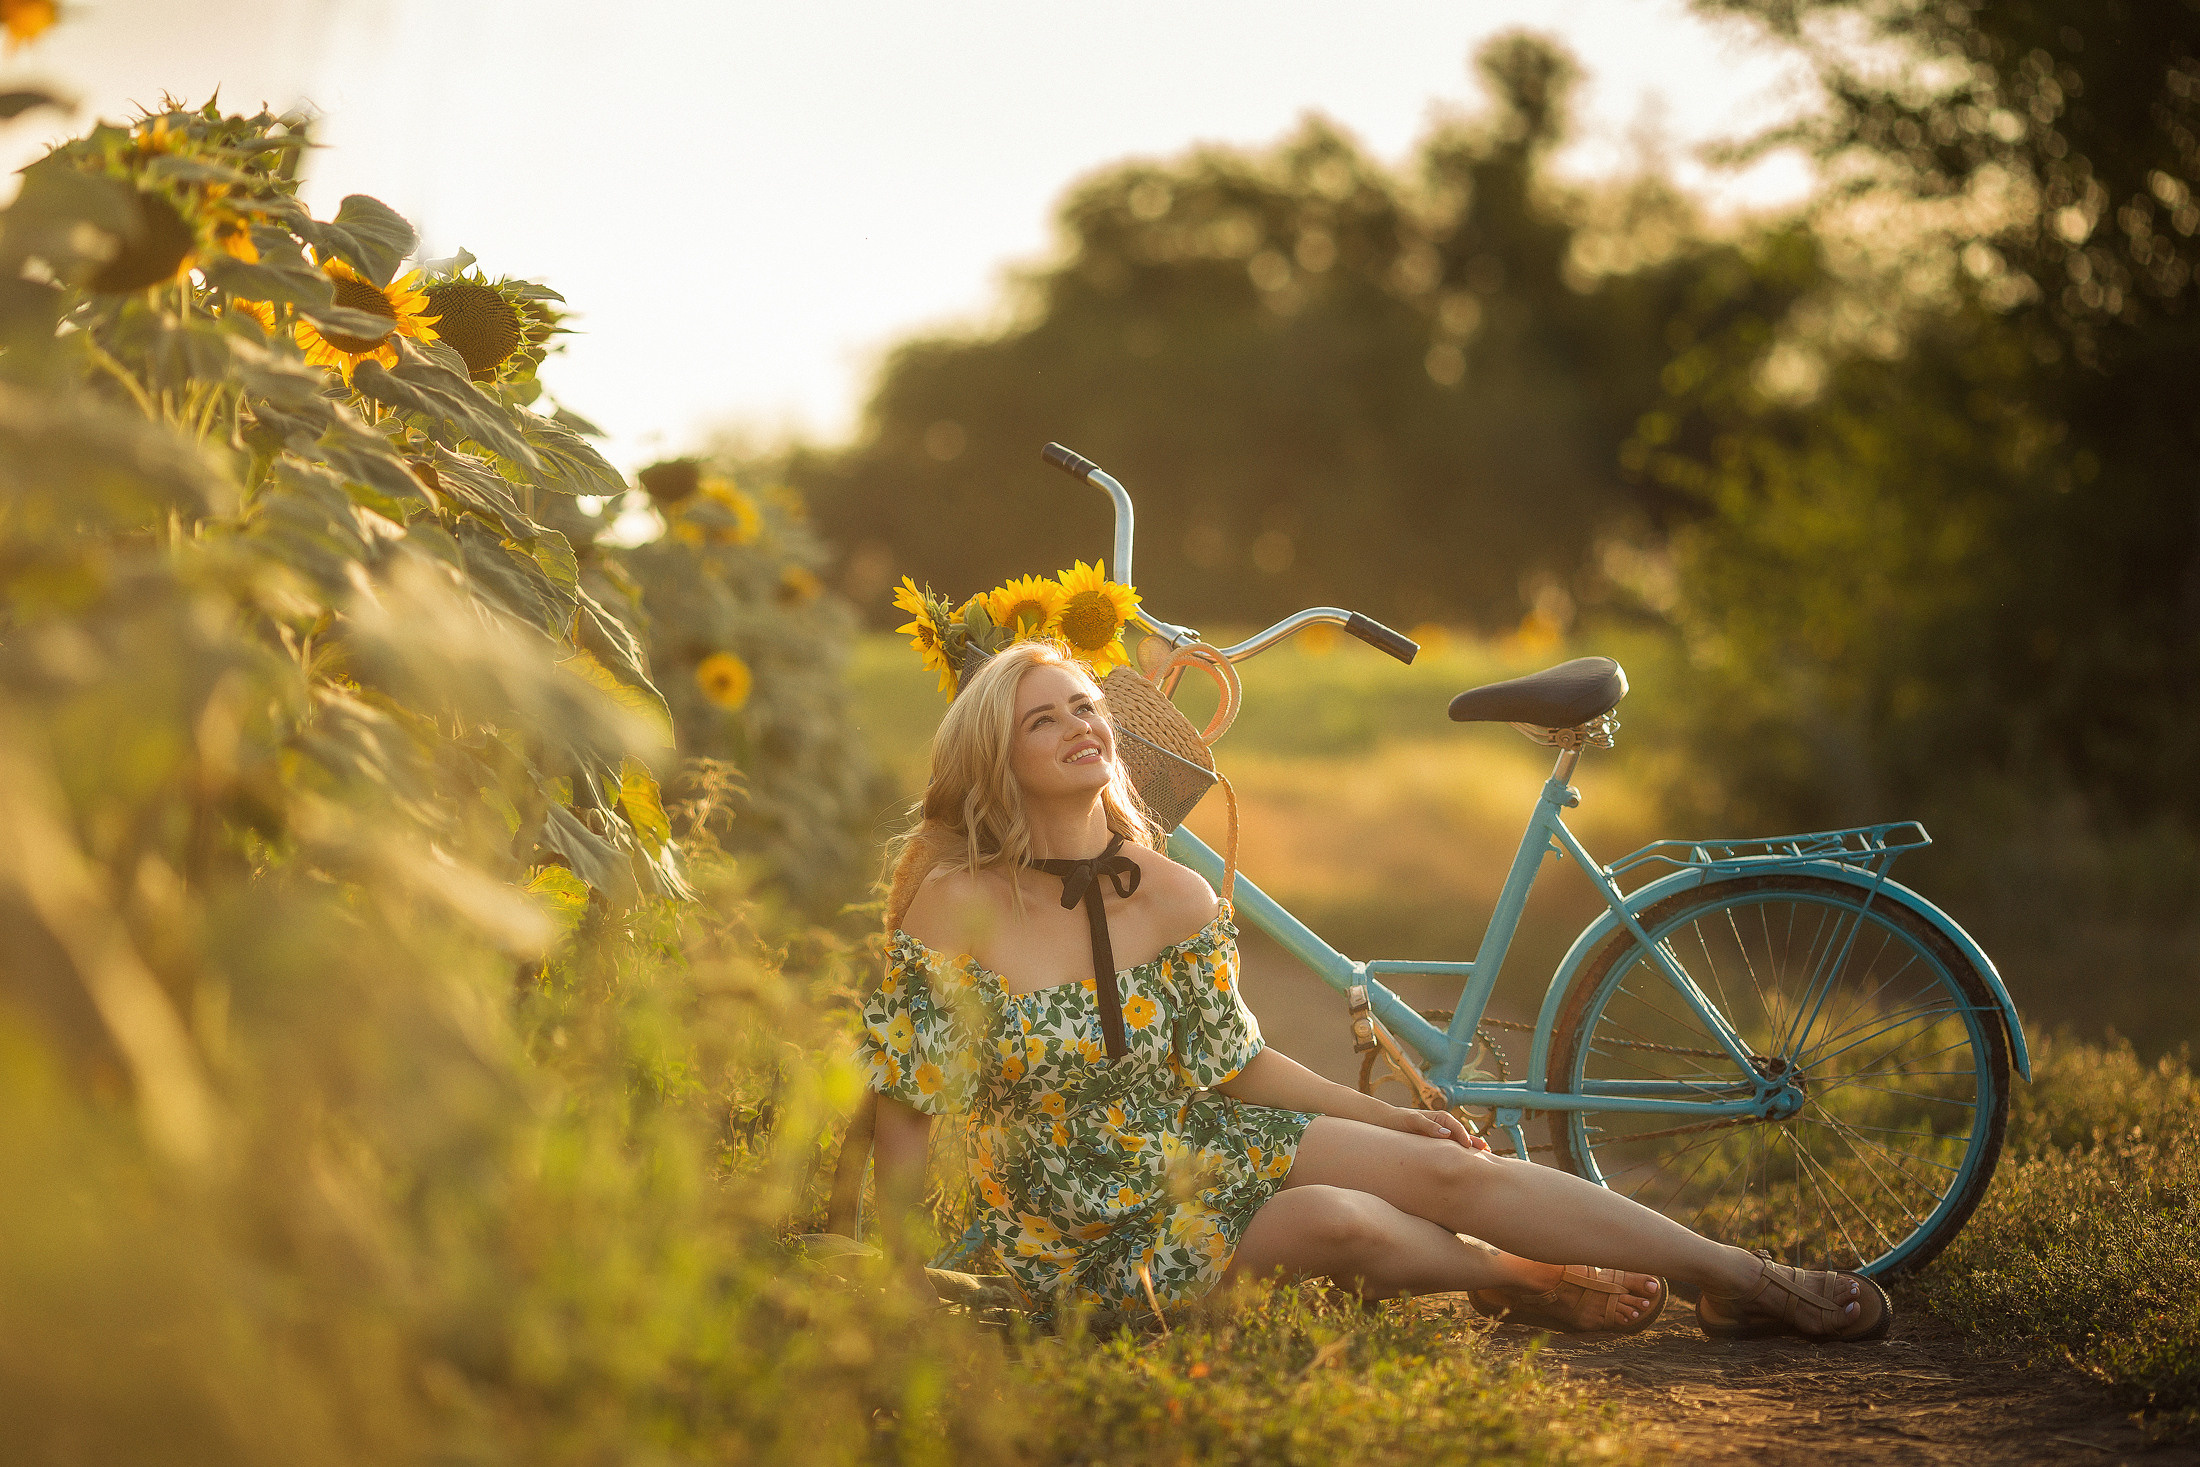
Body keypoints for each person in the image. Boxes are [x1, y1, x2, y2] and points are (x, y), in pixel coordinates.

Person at [859, 639, 1888, 1340]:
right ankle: (1514, 1276)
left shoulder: (1170, 892)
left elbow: (1235, 1064)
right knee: (1337, 1221)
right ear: (1001, 757)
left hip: (1185, 1148)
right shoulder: (953, 909)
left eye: (1087, 705)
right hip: (1066, 1232)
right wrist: (905, 1278)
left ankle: (1749, 1280)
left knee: (1444, 1168)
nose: (1081, 724)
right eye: (1046, 720)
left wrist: (1395, 1120)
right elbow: (903, 1107)